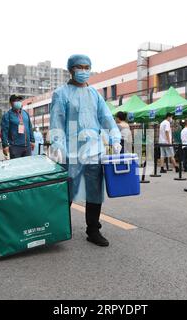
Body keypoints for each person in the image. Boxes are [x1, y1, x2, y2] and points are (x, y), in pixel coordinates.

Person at [50, 54, 122, 247]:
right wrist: (58, 146)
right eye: (79, 67)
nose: (83, 71)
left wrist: (115, 137)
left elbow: (106, 117)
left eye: (87, 67)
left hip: (94, 150)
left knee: (94, 191)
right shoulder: (61, 93)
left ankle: (93, 230)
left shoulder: (94, 94)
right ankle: (57, 228)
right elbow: (56, 121)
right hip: (71, 151)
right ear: (71, 69)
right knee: (66, 191)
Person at [1, 95, 35, 159]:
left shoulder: (25, 113)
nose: (18, 102)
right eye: (16, 101)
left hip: (27, 146)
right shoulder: (7, 115)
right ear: (11, 103)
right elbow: (4, 132)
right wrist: (5, 145)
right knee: (16, 167)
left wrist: (32, 141)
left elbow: (30, 128)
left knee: (27, 167)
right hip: (15, 147)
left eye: (19, 101)